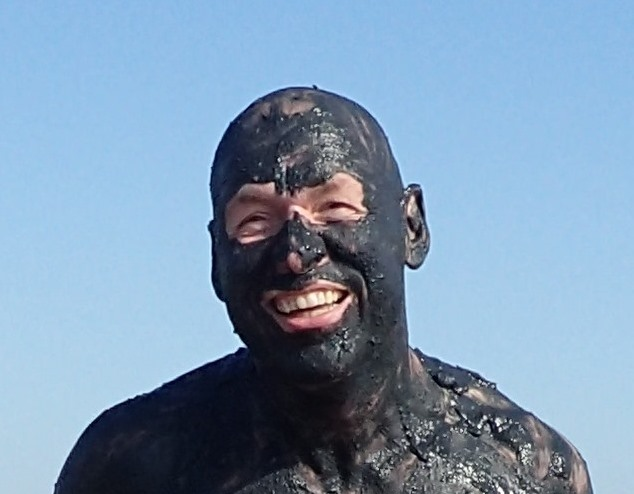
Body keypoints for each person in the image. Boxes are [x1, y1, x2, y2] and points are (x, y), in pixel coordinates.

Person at [55, 87, 593, 494]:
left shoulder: (529, 472)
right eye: (255, 222)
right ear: (218, 258)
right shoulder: (129, 468)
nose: (296, 253)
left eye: (334, 208)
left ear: (411, 227)